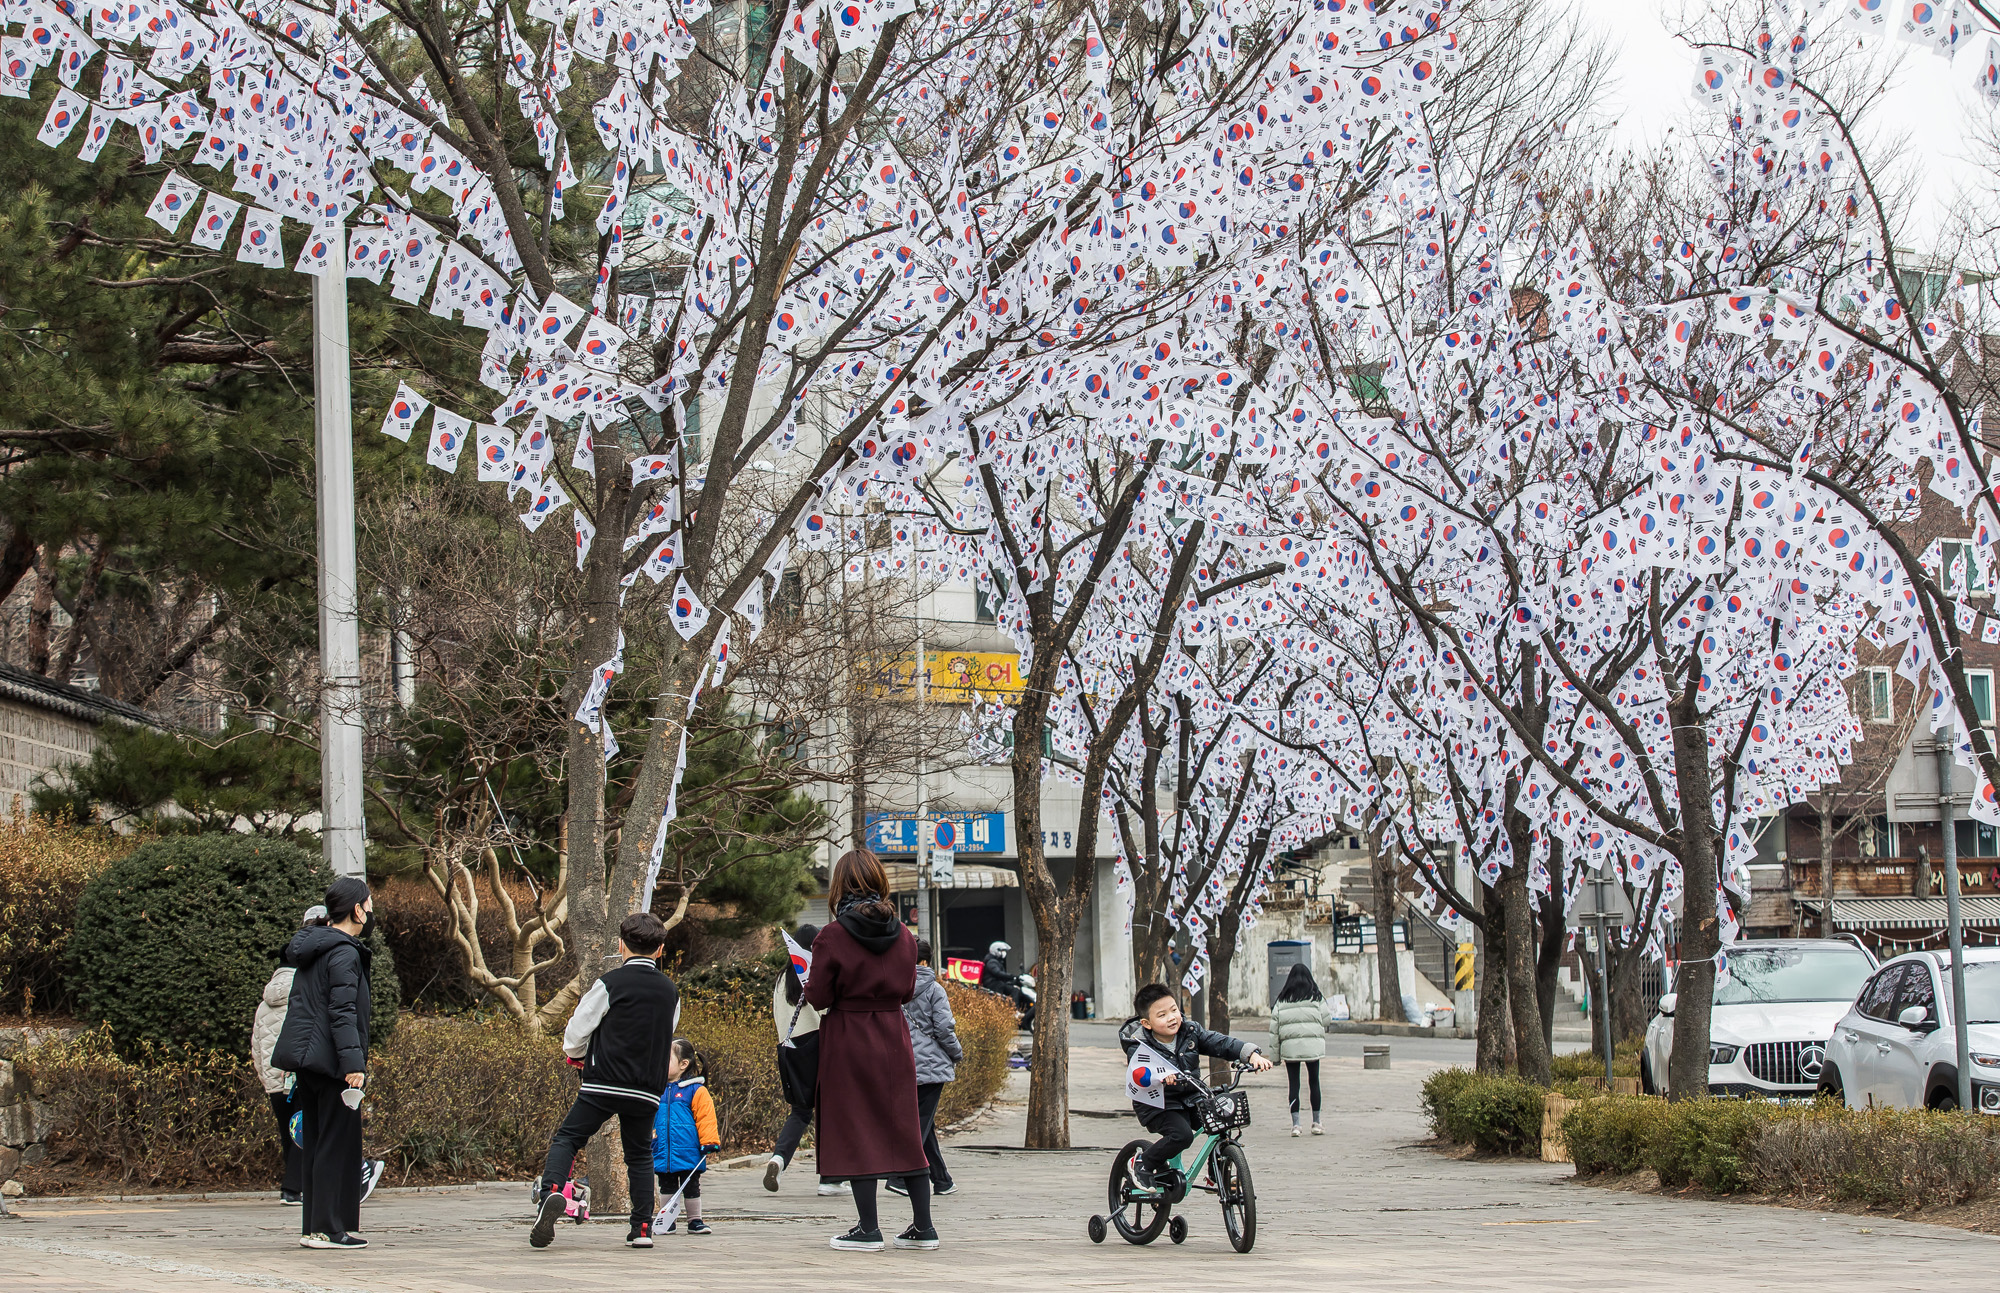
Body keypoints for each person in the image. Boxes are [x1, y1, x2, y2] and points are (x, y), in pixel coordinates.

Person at [803, 849, 936, 1253]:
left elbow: (820, 995)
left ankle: (868, 1228)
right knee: (904, 1128)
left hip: (848, 1034)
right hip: (894, 1035)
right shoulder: (905, 935)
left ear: (840, 885)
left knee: (855, 1125)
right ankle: (923, 1227)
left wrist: (807, 983)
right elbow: (910, 989)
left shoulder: (832, 935)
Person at [530, 911, 681, 1251]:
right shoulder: (670, 992)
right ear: (659, 950)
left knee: (569, 1137)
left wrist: (581, 1054)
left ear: (620, 945)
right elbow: (664, 1033)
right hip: (646, 1087)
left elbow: (576, 1033)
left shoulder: (610, 983)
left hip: (604, 1081)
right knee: (639, 1155)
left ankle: (552, 1193)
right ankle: (642, 1227)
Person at [254, 906, 387, 1210]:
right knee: (323, 1137)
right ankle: (328, 1212)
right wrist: (352, 1063)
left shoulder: (277, 989)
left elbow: (260, 1040)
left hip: (282, 1073)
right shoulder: (321, 974)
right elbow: (337, 1017)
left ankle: (299, 1197)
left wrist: (271, 1074)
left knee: (301, 1137)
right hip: (307, 1070)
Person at [271, 879, 378, 1250]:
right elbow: (343, 1012)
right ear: (356, 909)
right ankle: (329, 1229)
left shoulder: (312, 947)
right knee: (336, 1144)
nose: (370, 911)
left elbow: (302, 1007)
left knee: (316, 1142)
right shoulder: (344, 952)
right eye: (368, 904)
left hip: (307, 1061)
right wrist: (354, 1064)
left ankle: (314, 1227)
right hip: (333, 1062)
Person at [1118, 983, 1272, 1188]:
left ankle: (1216, 1175)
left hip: (1190, 1097)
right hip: (1158, 1104)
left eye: (1174, 1010)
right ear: (1147, 1023)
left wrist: (1250, 1054)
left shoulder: (1190, 1031)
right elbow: (1140, 1074)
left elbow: (1220, 1043)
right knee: (1182, 1136)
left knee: (1221, 1120)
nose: (1172, 1017)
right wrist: (1159, 1077)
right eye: (1162, 1015)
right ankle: (1142, 1163)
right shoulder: (1139, 1045)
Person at [764, 924, 847, 1197]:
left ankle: (779, 1159)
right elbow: (824, 1010)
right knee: (831, 1110)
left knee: (800, 1111)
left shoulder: (781, 979)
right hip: (816, 1046)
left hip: (789, 1048)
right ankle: (830, 1179)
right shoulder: (811, 974)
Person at [891, 938, 962, 1199]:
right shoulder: (934, 989)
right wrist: (956, 1053)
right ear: (925, 961)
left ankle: (942, 1179)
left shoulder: (894, 987)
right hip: (931, 1066)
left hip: (904, 1063)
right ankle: (898, 1176)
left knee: (924, 1123)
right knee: (919, 1123)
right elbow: (944, 1029)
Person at [651, 1039, 719, 1237]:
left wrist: (709, 1142)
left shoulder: (696, 1090)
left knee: (691, 1186)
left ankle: (694, 1220)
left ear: (683, 1064)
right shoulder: (657, 1090)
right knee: (666, 1185)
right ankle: (667, 1221)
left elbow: (706, 1118)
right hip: (662, 1149)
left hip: (689, 1150)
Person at [1269, 962, 1329, 1136]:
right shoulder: (1316, 998)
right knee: (1314, 1082)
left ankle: (1296, 1125)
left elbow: (1274, 1031)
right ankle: (1317, 1122)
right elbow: (1327, 1020)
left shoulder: (1282, 1000)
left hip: (1290, 1049)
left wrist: (1275, 1057)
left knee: (1294, 1084)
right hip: (1312, 1047)